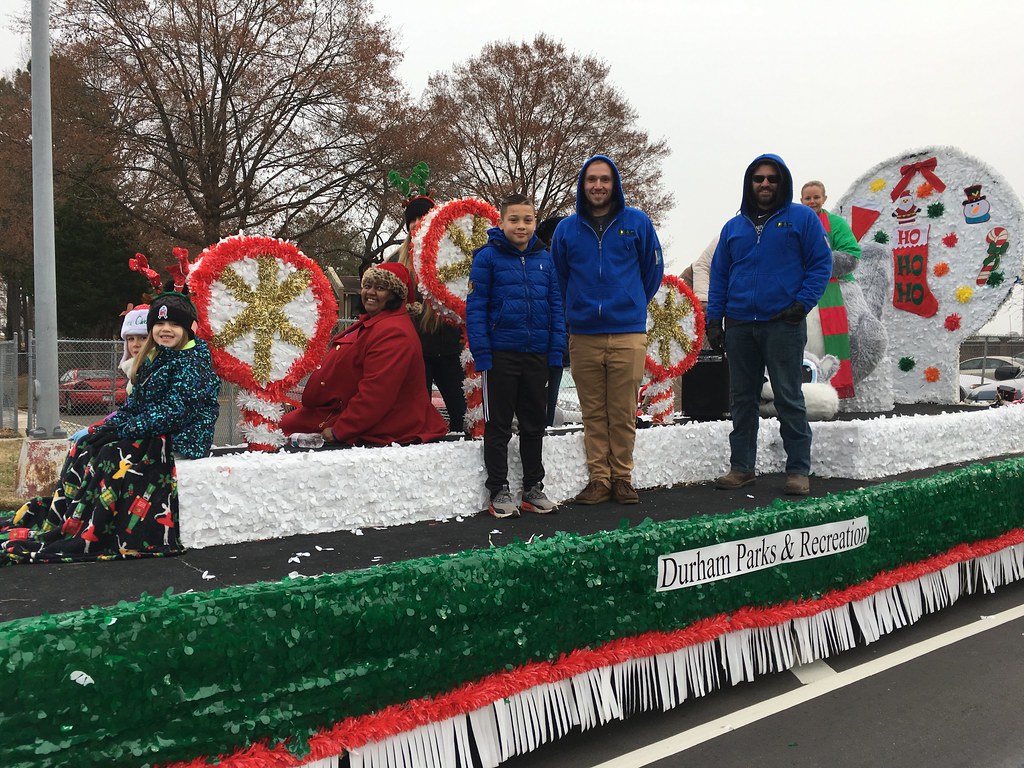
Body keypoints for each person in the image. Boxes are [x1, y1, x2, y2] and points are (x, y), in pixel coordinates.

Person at [1, 288, 221, 564]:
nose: (166, 329)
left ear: (190, 328)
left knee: (110, 454)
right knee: (85, 446)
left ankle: (95, 529)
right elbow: (134, 406)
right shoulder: (157, 359)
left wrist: (123, 430)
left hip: (183, 438)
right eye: (160, 323)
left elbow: (173, 413)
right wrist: (99, 429)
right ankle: (69, 518)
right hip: (157, 430)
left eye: (174, 324)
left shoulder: (193, 363)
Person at [706, 153, 832, 496]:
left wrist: (802, 304)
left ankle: (798, 470)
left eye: (772, 178)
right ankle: (742, 468)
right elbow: (719, 276)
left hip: (783, 324)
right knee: (741, 399)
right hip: (740, 325)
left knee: (789, 396)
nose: (765, 184)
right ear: (750, 183)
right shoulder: (733, 228)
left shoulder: (802, 219)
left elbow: (821, 264)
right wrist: (714, 320)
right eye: (758, 178)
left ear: (783, 182)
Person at [550, 155, 664, 505]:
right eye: (591, 180)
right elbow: (559, 277)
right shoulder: (566, 230)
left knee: (623, 410)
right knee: (593, 412)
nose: (598, 185)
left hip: (627, 332)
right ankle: (599, 479)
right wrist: (576, 307)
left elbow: (652, 272)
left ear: (615, 184)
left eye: (604, 179)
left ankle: (622, 478)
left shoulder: (637, 223)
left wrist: (631, 302)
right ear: (582, 185)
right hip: (583, 334)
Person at [466, 194, 566, 518]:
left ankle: (533, 488)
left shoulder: (545, 260)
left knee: (534, 425)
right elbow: (476, 309)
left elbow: (556, 308)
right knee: (498, 426)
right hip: (500, 356)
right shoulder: (486, 258)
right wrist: (483, 354)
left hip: (537, 355)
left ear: (535, 222)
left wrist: (555, 352)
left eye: (527, 220)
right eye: (514, 219)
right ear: (501, 222)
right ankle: (498, 489)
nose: (521, 226)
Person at [281, 261, 449, 446]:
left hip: (375, 425)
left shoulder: (394, 333)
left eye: (380, 288)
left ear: (395, 295)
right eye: (367, 286)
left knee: (274, 433)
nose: (370, 292)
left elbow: (377, 394)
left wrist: (340, 431)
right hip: (332, 412)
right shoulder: (374, 323)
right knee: (271, 428)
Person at [392, 196, 468, 433]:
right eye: (412, 219)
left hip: (451, 349)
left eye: (422, 217)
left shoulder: (450, 254)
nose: (416, 223)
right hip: (416, 352)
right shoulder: (397, 260)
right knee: (416, 420)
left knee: (463, 416)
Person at [800, 180, 863, 397]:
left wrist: (816, 265)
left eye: (816, 197)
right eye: (808, 198)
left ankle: (834, 385)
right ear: (801, 200)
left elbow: (851, 254)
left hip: (834, 289)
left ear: (824, 199)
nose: (812, 202)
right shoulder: (794, 223)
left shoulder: (836, 224)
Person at [536, 215, 567, 427]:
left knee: (547, 406)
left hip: (559, 342)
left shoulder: (572, 264)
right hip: (538, 343)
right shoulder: (541, 263)